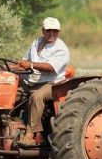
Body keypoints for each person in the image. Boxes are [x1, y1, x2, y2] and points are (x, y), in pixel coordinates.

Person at [17, 17, 70, 146]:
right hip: (32, 81)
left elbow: (50, 67)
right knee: (12, 93)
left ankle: (30, 134)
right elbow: (24, 62)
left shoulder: (61, 49)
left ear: (59, 32)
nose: (52, 34)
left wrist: (31, 65)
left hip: (52, 84)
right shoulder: (36, 43)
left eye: (55, 31)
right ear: (43, 31)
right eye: (49, 30)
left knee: (37, 96)